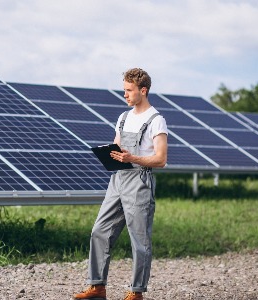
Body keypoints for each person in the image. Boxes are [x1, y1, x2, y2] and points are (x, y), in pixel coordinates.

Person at [73, 68, 168, 300]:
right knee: (99, 231)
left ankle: (136, 292)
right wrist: (110, 154)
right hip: (118, 179)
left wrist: (132, 158)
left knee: (139, 239)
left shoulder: (157, 121)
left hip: (140, 181)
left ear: (143, 91)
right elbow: (118, 147)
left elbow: (161, 159)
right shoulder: (123, 117)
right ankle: (97, 287)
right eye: (124, 89)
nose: (124, 95)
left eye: (129, 90)